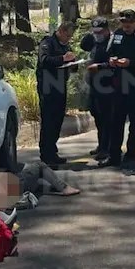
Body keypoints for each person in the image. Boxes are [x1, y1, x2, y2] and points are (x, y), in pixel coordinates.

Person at [99, 9, 135, 171]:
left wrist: (131, 63)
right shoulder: (117, 34)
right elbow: (109, 52)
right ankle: (114, 155)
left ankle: (131, 155)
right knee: (115, 120)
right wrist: (111, 60)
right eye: (123, 23)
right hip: (118, 84)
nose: (126, 26)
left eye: (129, 23)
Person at [35, 21, 78, 166]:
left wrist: (74, 61)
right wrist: (62, 59)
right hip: (47, 87)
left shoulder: (65, 46)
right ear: (61, 31)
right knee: (48, 121)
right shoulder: (47, 43)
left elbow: (71, 65)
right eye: (68, 35)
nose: (69, 39)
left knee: (58, 120)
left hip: (60, 86)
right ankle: (46, 154)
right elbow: (44, 60)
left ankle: (52, 151)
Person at [80, 17, 115, 161]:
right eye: (94, 32)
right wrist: (90, 35)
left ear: (107, 30)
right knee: (97, 115)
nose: (97, 34)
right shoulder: (95, 40)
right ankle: (101, 145)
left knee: (106, 118)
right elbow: (84, 46)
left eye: (99, 32)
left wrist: (100, 67)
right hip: (94, 85)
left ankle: (107, 148)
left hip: (108, 86)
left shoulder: (113, 42)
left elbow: (115, 63)